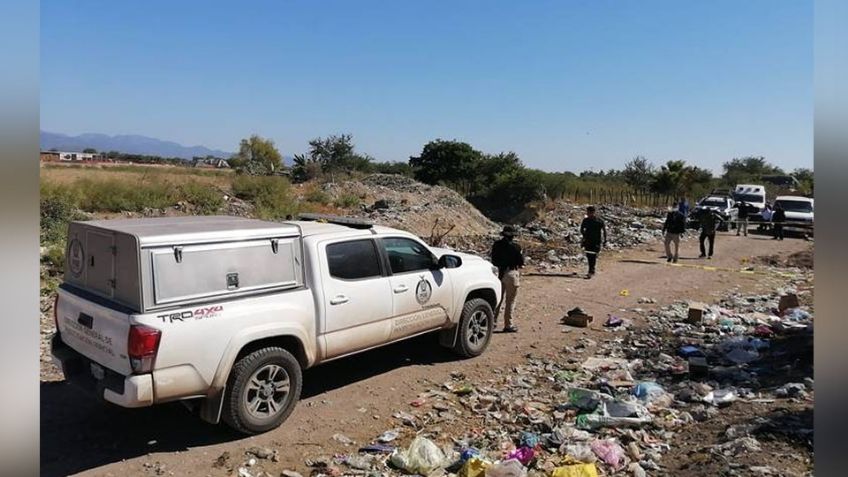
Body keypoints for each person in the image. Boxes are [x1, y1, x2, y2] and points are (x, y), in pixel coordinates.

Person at [490, 225, 524, 332]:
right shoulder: (516, 247)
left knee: (497, 300)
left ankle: (492, 323)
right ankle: (508, 325)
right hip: (511, 273)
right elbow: (521, 262)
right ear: (513, 236)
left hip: (498, 273)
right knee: (510, 301)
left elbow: (493, 260)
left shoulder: (496, 245)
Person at [580, 206, 607, 278]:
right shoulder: (586, 220)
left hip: (596, 241)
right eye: (588, 212)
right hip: (588, 241)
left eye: (590, 212)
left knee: (594, 256)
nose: (588, 214)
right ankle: (590, 270)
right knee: (589, 256)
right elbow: (582, 229)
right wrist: (584, 236)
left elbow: (604, 231)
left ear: (593, 212)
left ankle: (591, 270)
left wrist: (605, 240)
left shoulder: (599, 221)